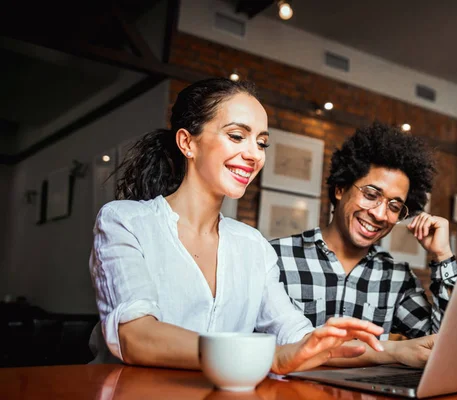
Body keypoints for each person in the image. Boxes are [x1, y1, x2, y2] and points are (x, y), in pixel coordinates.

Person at [88, 78, 432, 374]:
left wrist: (396, 351)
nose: (254, 154)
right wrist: (272, 356)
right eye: (237, 136)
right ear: (187, 142)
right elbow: (137, 337)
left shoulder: (252, 245)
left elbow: (297, 338)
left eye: (262, 142)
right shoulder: (125, 221)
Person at [270, 122, 457, 365]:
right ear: (340, 188)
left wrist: (442, 255)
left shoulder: (397, 278)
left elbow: (443, 345)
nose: (380, 214)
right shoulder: (276, 257)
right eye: (371, 195)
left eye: (394, 206)